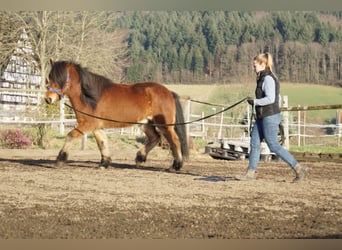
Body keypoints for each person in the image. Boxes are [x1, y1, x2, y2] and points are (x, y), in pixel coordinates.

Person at [235, 52, 308, 182]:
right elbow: (277, 98)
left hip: (269, 116)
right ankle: (250, 173)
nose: (253, 68)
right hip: (262, 116)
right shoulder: (263, 77)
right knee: (255, 143)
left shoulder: (268, 79)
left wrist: (255, 102)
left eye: (255, 65)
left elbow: (271, 98)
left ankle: (298, 167)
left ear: (263, 64)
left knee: (273, 145)